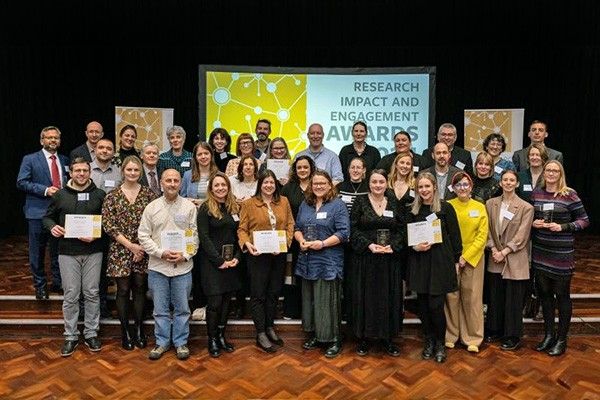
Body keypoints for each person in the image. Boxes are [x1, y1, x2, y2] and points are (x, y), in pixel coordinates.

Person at [43, 157, 106, 357]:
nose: (81, 174)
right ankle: (70, 335)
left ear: (90, 172)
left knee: (91, 292)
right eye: (77, 170)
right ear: (70, 172)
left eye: (84, 170)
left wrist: (97, 233)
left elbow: (109, 222)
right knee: (71, 294)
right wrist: (52, 226)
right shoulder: (60, 195)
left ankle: (90, 333)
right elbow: (47, 217)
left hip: (93, 251)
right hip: (67, 251)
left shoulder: (99, 195)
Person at [138, 169, 199, 361]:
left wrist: (186, 254)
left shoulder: (189, 207)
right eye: (168, 180)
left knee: (182, 308)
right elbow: (143, 235)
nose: (172, 184)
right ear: (161, 183)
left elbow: (193, 235)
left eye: (175, 180)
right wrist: (160, 253)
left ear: (180, 183)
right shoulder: (151, 207)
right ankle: (162, 342)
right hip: (158, 267)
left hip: (182, 267)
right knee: (160, 309)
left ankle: (181, 343)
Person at [531, 160, 589, 356]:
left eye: (555, 170)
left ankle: (562, 339)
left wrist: (563, 227)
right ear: (544, 172)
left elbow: (584, 220)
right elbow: (530, 217)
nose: (551, 173)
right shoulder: (536, 193)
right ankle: (549, 335)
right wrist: (534, 223)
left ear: (560, 173)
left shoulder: (569, 194)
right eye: (548, 170)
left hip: (561, 255)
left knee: (562, 296)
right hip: (540, 252)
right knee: (545, 295)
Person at [102, 156, 157, 351]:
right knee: (123, 290)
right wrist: (130, 246)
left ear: (140, 173)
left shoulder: (149, 195)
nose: (132, 173)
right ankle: (125, 331)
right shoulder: (112, 196)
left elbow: (154, 224)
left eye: (136, 170)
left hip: (143, 249)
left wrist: (140, 247)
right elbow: (109, 225)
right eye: (129, 170)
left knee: (140, 288)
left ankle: (139, 328)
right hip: (120, 249)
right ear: (123, 171)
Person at [407, 172, 462, 363]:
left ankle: (440, 343)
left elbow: (455, 237)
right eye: (420, 187)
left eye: (427, 186)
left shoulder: (446, 208)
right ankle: (428, 341)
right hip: (420, 262)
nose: (424, 190)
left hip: (440, 262)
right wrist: (415, 246)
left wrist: (456, 262)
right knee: (423, 305)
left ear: (434, 187)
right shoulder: (412, 211)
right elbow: (407, 238)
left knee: (436, 306)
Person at [294, 171, 350, 358]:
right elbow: (297, 228)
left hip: (328, 261)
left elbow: (344, 233)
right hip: (308, 260)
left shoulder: (338, 205)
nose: (318, 186)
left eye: (322, 183)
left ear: (330, 185)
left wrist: (323, 243)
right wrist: (300, 240)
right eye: (315, 183)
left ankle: (334, 339)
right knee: (311, 301)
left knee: (328, 301)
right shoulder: (305, 204)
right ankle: (317, 336)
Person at [238, 170, 294, 353]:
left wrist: (285, 242)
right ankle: (260, 332)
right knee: (258, 294)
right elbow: (242, 229)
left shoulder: (284, 202)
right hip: (257, 256)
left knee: (274, 292)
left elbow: (290, 225)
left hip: (278, 255)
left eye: (272, 182)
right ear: (259, 184)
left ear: (276, 185)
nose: (269, 186)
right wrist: (247, 244)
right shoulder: (248, 204)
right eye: (265, 183)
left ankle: (270, 327)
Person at [350, 169, 405, 357]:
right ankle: (365, 338)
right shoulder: (360, 201)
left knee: (388, 297)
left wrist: (393, 246)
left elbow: (401, 229)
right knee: (366, 298)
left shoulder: (394, 202)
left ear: (386, 183)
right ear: (369, 183)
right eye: (374, 182)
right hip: (366, 259)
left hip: (389, 260)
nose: (378, 185)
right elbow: (353, 228)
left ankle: (387, 339)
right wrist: (369, 245)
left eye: (381, 182)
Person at [16, 126, 69, 299]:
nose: (53, 140)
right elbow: (21, 182)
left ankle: (58, 283)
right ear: (42, 140)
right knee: (37, 252)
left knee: (57, 251)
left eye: (56, 138)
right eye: (49, 138)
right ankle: (40, 285)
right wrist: (45, 190)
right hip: (37, 213)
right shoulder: (30, 159)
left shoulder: (65, 160)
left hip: (59, 214)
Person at [485, 169, 534, 351]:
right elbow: (486, 229)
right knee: (495, 297)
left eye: (512, 180)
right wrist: (493, 248)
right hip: (494, 257)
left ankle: (512, 336)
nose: (508, 183)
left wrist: (503, 252)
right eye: (505, 180)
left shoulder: (526, 207)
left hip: (514, 258)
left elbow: (522, 236)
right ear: (500, 183)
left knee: (513, 300)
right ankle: (494, 329)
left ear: (517, 184)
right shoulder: (490, 204)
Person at [197, 172, 242, 358]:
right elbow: (204, 237)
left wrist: (237, 257)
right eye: (216, 185)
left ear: (228, 187)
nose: (220, 188)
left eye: (223, 185)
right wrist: (219, 261)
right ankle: (212, 339)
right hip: (212, 263)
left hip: (231, 263)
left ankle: (222, 336)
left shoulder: (234, 207)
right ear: (211, 188)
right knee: (214, 303)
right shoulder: (205, 208)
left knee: (225, 302)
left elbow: (240, 234)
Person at [446, 172, 488, 353]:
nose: (462, 188)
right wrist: (455, 257)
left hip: (474, 258)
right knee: (451, 297)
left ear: (471, 187)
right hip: (451, 258)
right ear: (453, 188)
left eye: (465, 185)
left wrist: (465, 257)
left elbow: (482, 236)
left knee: (472, 299)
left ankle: (473, 337)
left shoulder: (479, 207)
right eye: (458, 185)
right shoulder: (447, 206)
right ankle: (451, 335)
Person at [280, 155, 316, 320]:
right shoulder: (288, 188)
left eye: (306, 167)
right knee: (292, 276)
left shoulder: (318, 185)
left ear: (311, 169)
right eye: (299, 167)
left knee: (311, 274)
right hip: (293, 239)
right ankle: (292, 310)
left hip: (316, 239)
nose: (302, 170)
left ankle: (310, 310)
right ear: (295, 170)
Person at [181, 142, 219, 207]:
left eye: (206, 153)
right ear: (195, 157)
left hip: (213, 213)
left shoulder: (219, 175)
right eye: (199, 154)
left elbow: (222, 199)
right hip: (193, 213)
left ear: (211, 155)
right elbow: (182, 198)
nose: (203, 157)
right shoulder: (187, 175)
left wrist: (201, 202)